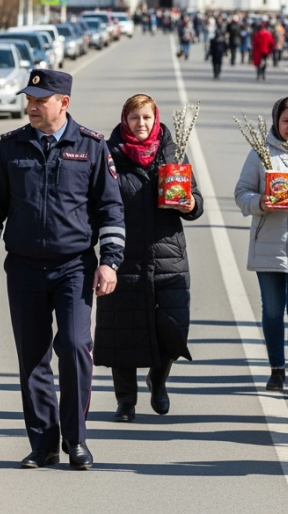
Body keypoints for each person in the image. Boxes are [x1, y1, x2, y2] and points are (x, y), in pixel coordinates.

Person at [0, 67, 125, 471]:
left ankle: (76, 440)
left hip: (74, 266)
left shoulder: (91, 147)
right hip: (22, 268)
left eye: (41, 101)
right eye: (30, 100)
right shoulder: (11, 147)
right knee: (33, 358)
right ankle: (43, 445)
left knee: (74, 348)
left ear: (64, 104)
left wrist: (109, 261)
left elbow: (110, 209)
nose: (32, 107)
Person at [96, 95, 203, 422]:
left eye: (146, 118)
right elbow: (97, 204)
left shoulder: (173, 153)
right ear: (124, 121)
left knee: (170, 328)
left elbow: (196, 202)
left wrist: (189, 205)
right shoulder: (109, 156)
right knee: (122, 330)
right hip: (123, 258)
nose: (140, 124)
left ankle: (159, 380)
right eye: (134, 118)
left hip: (167, 257)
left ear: (154, 119)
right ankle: (125, 400)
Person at [235, 96, 288, 398]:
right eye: (286, 121)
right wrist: (259, 202)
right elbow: (241, 193)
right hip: (268, 246)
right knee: (272, 311)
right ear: (276, 121)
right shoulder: (260, 154)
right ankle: (276, 368)